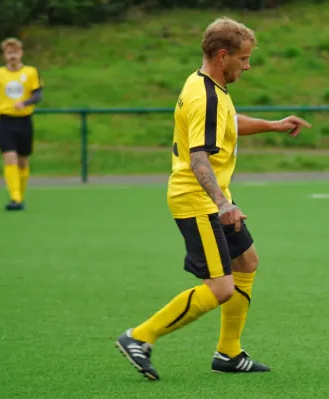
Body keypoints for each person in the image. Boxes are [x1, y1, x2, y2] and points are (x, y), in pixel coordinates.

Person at [115, 17, 311, 380]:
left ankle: (229, 353)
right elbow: (198, 157)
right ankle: (139, 337)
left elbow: (229, 122)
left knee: (246, 262)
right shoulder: (204, 95)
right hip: (198, 200)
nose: (247, 66)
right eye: (244, 59)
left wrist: (272, 125)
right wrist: (223, 204)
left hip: (210, 198)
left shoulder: (206, 86)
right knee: (221, 288)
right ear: (223, 56)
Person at [0, 37, 44, 211]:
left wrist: (26, 103)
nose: (12, 56)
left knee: (22, 160)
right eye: (9, 53)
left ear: (21, 53)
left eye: (15, 52)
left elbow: (38, 95)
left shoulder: (30, 72)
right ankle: (14, 198)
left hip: (24, 120)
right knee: (9, 157)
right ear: (4, 55)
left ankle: (20, 196)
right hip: (5, 120)